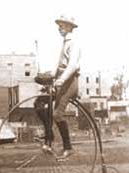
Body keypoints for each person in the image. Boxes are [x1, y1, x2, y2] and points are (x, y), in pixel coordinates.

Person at [34, 15, 81, 160]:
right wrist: (49, 76)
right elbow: (61, 67)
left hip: (70, 83)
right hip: (61, 81)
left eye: (62, 25)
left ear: (69, 27)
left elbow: (73, 65)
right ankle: (49, 138)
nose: (59, 28)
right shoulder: (65, 42)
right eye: (59, 25)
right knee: (39, 104)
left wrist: (61, 80)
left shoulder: (74, 43)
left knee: (57, 115)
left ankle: (68, 148)